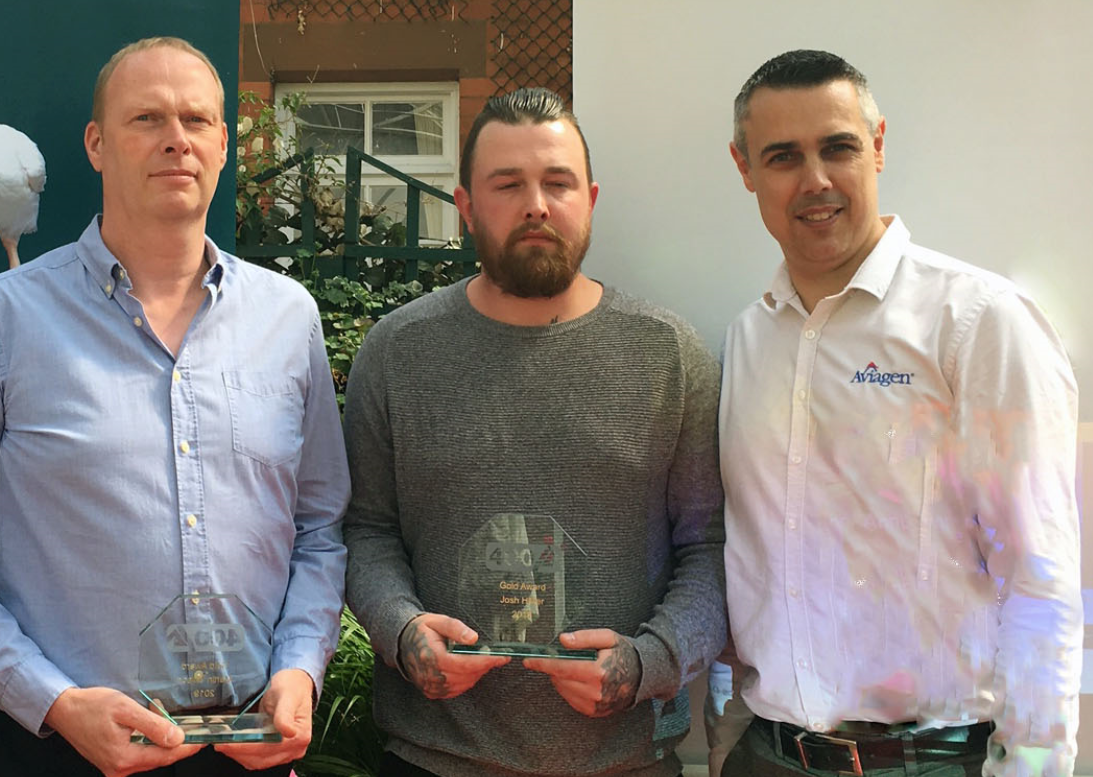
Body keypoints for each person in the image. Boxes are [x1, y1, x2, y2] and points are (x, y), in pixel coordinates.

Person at [0, 36, 348, 777]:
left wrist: (299, 665)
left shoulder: (287, 320)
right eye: (146, 120)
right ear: (96, 144)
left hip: (244, 747)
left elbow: (319, 529)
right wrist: (52, 700)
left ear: (223, 143)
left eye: (196, 121)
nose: (175, 141)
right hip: (57, 748)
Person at [342, 87, 726, 777]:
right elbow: (365, 529)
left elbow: (709, 547)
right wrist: (401, 630)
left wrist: (650, 661)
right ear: (464, 206)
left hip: (626, 762)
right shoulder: (397, 352)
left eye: (557, 182)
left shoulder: (669, 355)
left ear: (590, 197)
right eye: (507, 184)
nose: (535, 205)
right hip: (435, 758)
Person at [718, 49, 1081, 776]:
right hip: (767, 753)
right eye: (783, 156)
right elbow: (747, 553)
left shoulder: (975, 322)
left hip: (929, 759)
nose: (814, 180)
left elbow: (1038, 576)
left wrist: (1034, 767)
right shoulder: (748, 337)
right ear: (744, 168)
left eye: (838, 147)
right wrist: (729, 735)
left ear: (877, 145)